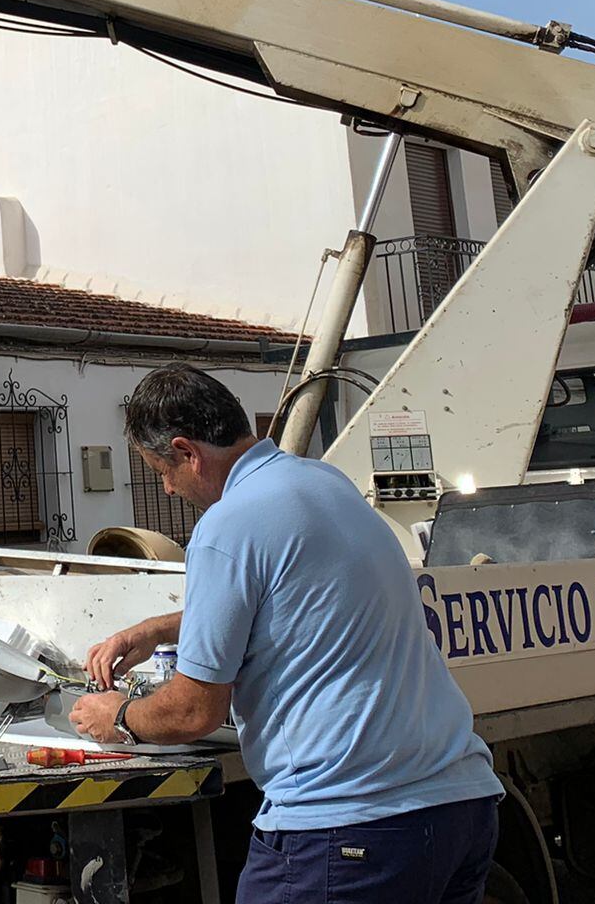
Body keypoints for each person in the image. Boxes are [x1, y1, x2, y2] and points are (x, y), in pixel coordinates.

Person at [69, 365, 502, 904]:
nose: (166, 486)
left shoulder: (227, 524)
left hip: (349, 827)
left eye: (161, 469)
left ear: (187, 452)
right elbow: (297, 600)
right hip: (461, 805)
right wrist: (159, 629)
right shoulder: (323, 482)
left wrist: (117, 717)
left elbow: (191, 713)